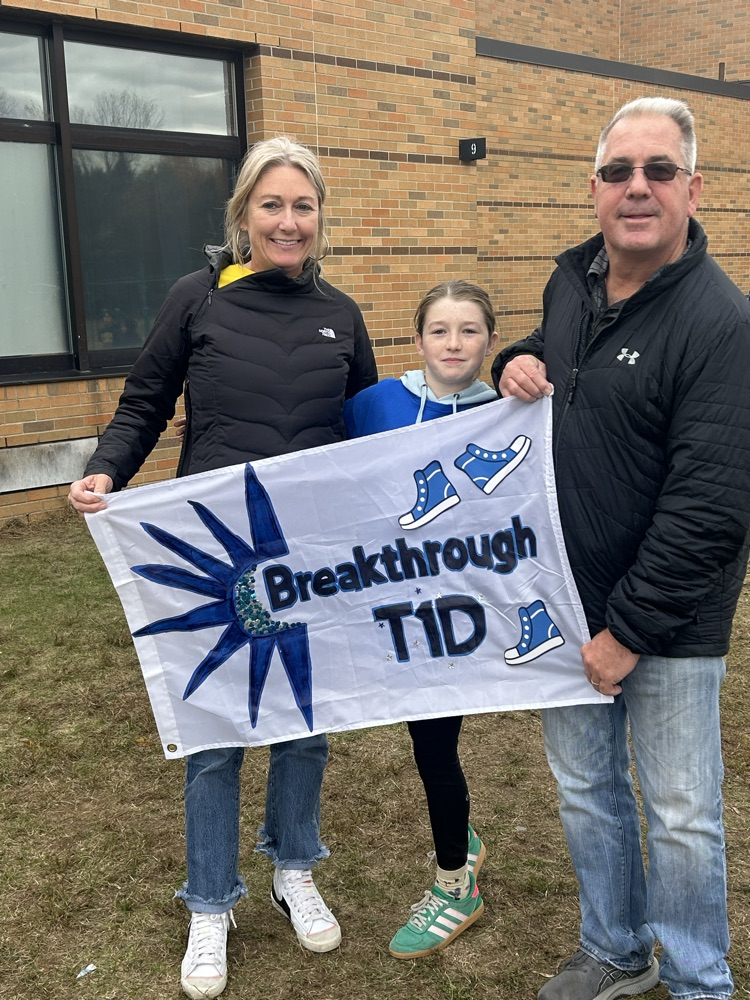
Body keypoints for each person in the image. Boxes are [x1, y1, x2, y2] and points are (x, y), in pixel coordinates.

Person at [68, 136, 377, 1000]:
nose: (288, 220)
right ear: (243, 215)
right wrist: (108, 468)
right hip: (211, 551)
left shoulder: (342, 314)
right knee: (215, 734)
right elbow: (145, 401)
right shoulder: (196, 298)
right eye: (271, 205)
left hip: (309, 553)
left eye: (303, 206)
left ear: (321, 218)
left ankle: (293, 868)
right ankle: (211, 901)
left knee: (305, 724)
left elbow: (367, 437)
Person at [493, 97, 750, 1000]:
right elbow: (556, 362)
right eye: (617, 172)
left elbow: (711, 506)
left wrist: (627, 632)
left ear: (693, 187)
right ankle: (614, 947)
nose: (636, 188)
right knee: (585, 792)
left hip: (667, 624)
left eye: (658, 171)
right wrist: (514, 362)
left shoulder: (723, 322)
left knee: (682, 816)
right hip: (564, 601)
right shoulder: (574, 282)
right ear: (593, 188)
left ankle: (697, 980)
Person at [345, 279, 498, 959]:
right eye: (440, 330)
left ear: (491, 341)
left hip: (478, 608)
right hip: (401, 606)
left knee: (442, 742)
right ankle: (459, 854)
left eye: (469, 330)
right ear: (417, 340)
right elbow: (311, 472)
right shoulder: (375, 404)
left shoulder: (510, 411)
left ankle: (455, 880)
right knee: (428, 740)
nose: (454, 343)